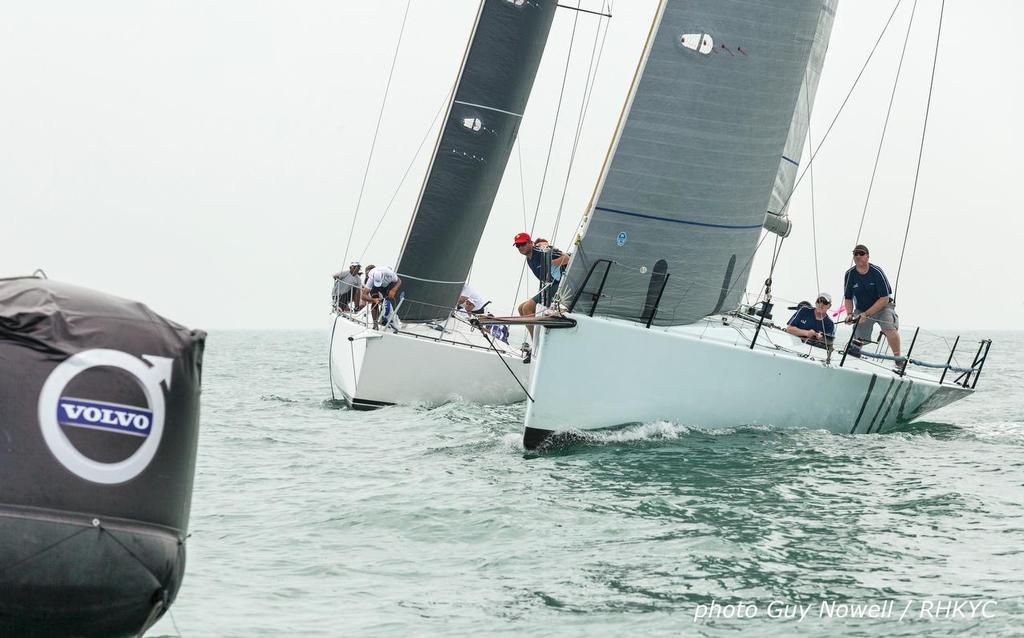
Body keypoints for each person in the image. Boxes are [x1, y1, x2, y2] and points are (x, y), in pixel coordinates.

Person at [843, 244, 901, 358]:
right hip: (861, 309)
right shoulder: (849, 274)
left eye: (861, 254)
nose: (858, 256)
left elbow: (884, 298)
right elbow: (848, 298)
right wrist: (849, 314)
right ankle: (852, 357)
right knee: (858, 338)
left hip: (883, 307)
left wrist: (867, 314)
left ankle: (898, 359)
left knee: (889, 328)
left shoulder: (876, 272)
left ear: (867, 256)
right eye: (855, 254)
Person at [513, 232, 570, 336]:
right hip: (550, 286)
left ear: (530, 243)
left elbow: (567, 258)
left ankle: (535, 343)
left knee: (527, 308)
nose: (520, 247)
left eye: (523, 244)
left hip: (559, 284)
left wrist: (550, 262)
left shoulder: (541, 251)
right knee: (521, 308)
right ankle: (533, 340)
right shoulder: (529, 258)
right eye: (518, 245)